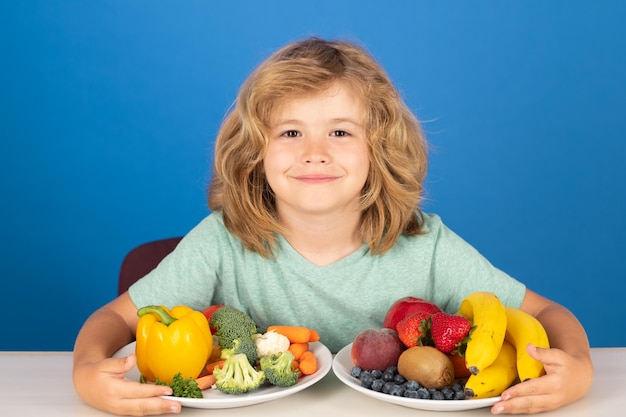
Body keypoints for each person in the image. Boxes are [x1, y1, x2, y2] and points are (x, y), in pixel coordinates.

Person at [73, 37, 593, 416]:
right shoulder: (221, 240)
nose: (314, 153)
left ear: (379, 152)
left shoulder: (427, 244)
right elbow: (112, 321)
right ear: (255, 153)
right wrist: (87, 375)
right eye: (291, 131)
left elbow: (546, 313)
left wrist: (579, 370)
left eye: (340, 131)